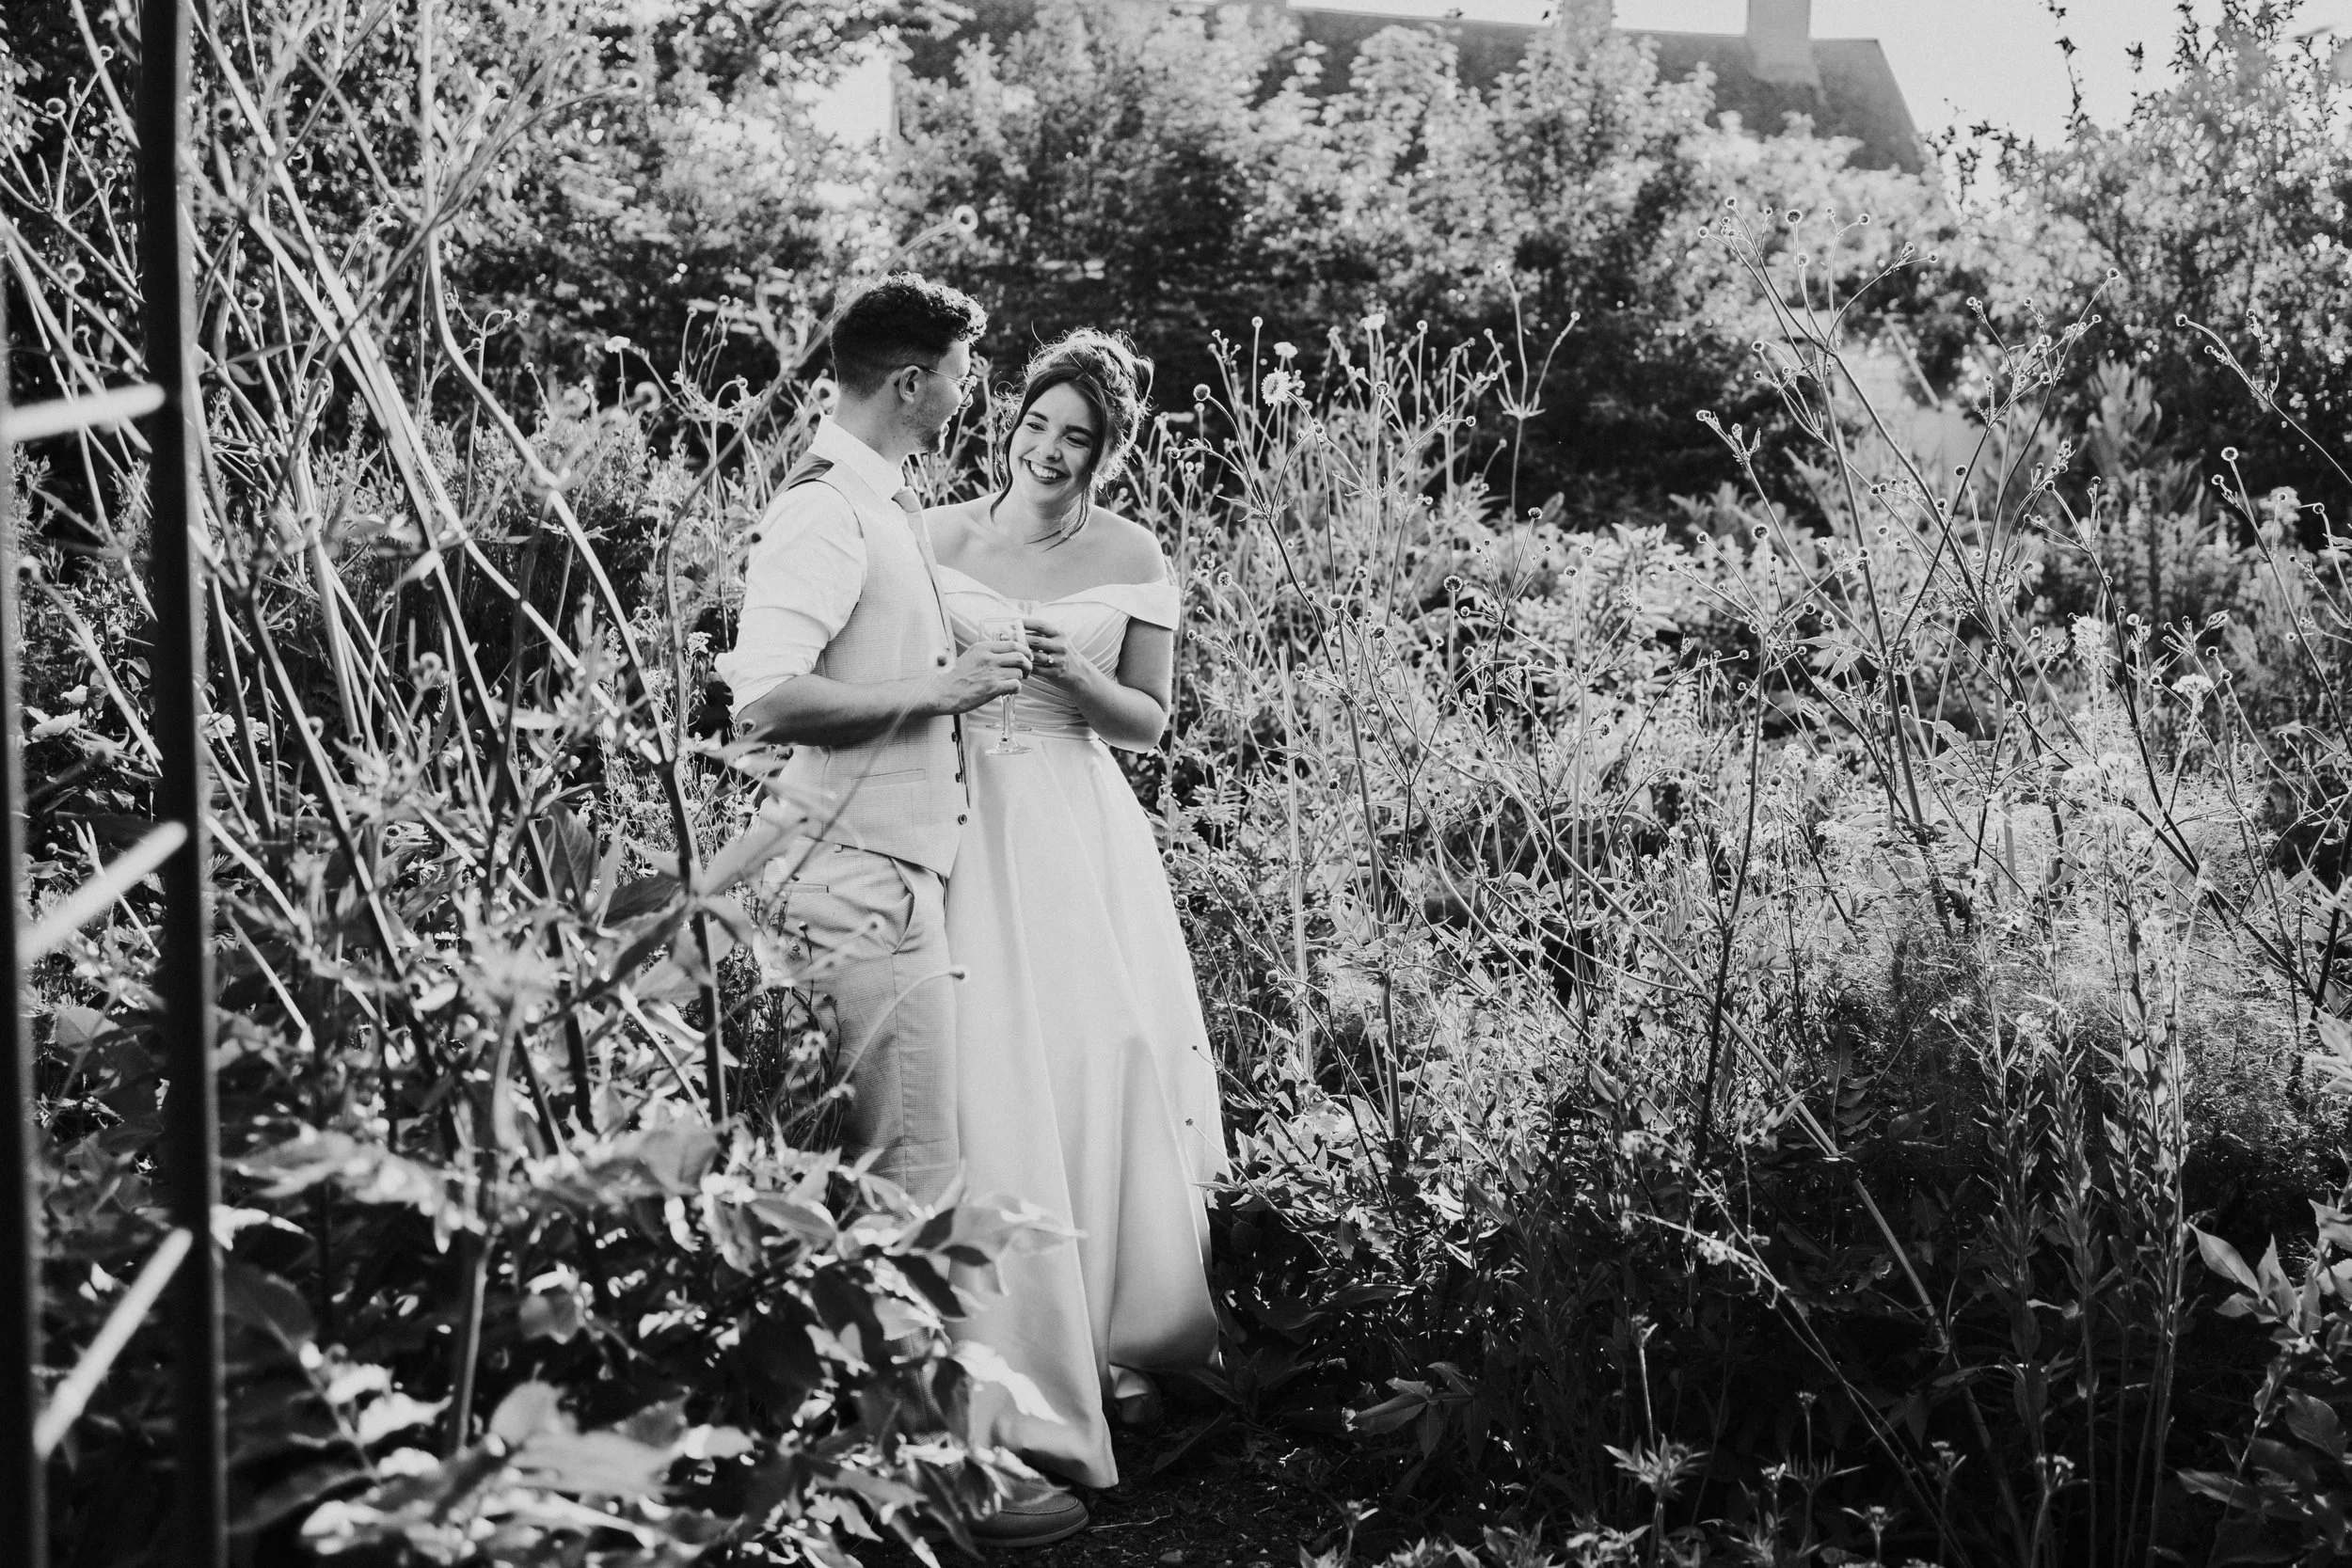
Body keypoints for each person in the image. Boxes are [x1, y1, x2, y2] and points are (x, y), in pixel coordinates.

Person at [924, 330, 1229, 1533]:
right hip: (958, 813)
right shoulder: (932, 535)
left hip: (1075, 822)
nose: (1048, 451)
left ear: (1108, 451)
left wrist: (1073, 678)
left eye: (1077, 438)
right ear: (1008, 422)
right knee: (986, 1070)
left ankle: (1116, 1333)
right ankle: (996, 1343)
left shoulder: (1131, 553)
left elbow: (1151, 720)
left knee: (1101, 1057)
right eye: (1037, 426)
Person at [714, 273, 1026, 1204]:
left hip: (888, 868)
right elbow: (765, 701)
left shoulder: (882, 501)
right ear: (910, 383)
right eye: (962, 373)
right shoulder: (824, 509)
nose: (969, 391)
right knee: (909, 1168)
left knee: (885, 1163)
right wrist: (943, 690)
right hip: (861, 879)